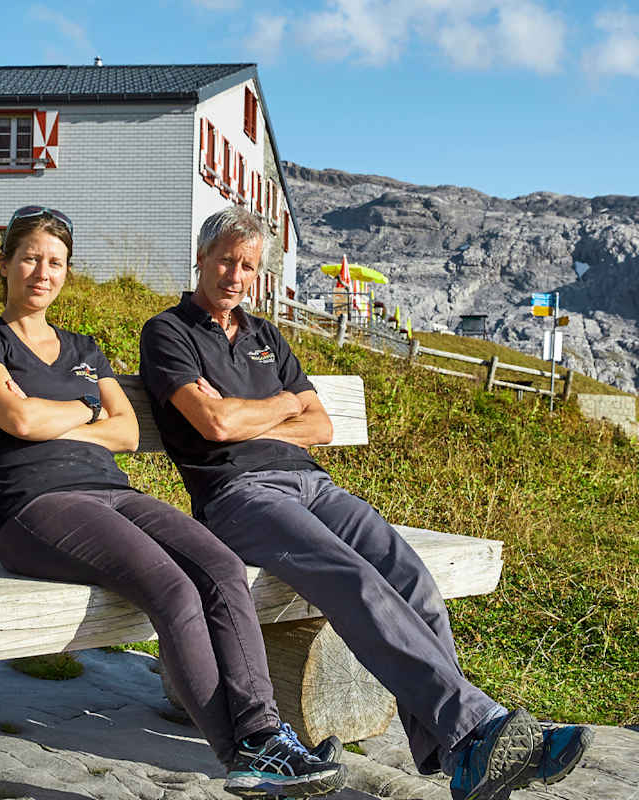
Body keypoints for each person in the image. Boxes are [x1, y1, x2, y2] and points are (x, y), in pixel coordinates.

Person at [138, 206, 594, 800]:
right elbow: (216, 425)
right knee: (352, 578)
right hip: (238, 494)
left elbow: (321, 424)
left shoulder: (265, 336)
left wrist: (260, 412)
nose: (235, 275)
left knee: (412, 578)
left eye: (248, 266)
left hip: (312, 484)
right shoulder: (168, 332)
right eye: (226, 261)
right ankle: (477, 730)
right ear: (201, 258)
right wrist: (282, 406)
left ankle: (458, 751)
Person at [0, 205, 346, 798]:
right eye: (30, 258)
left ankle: (263, 733)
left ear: (67, 272)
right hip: (34, 505)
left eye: (55, 262)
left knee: (221, 567)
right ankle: (240, 752)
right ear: (4, 263)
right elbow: (19, 419)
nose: (42, 272)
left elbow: (127, 432)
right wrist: (87, 409)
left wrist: (60, 419)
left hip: (113, 491)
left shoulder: (84, 348)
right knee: (171, 587)